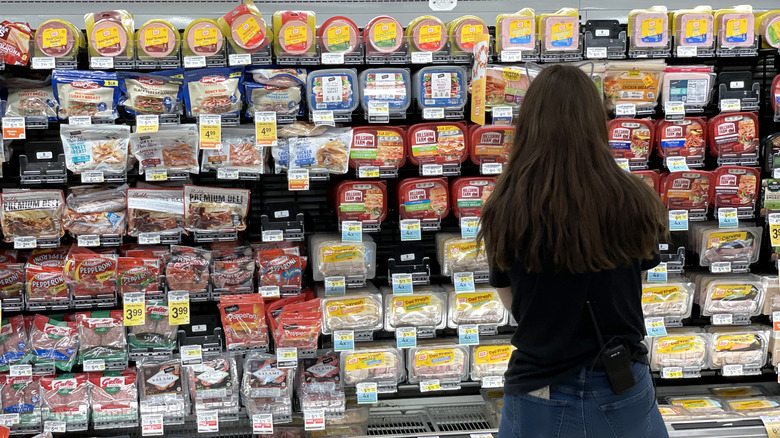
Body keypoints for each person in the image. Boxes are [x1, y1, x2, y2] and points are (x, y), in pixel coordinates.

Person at [479, 64, 670, 438]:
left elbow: (511, 301)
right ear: (596, 121)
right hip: (620, 379)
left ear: (530, 123)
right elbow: (635, 283)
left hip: (539, 384)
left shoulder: (505, 202)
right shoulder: (634, 197)